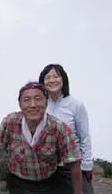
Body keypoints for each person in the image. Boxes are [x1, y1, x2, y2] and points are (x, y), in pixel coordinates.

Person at [0, 82, 83, 194]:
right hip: (19, 181)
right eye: (26, 100)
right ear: (20, 105)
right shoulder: (10, 122)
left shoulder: (59, 128)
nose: (33, 105)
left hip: (50, 179)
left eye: (38, 99)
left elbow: (74, 161)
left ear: (46, 102)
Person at [39, 64, 94, 194]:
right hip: (47, 166)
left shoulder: (76, 105)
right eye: (48, 77)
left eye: (56, 76)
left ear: (63, 79)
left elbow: (84, 137)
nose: (52, 80)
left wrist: (87, 165)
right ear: (43, 82)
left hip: (72, 165)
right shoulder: (40, 105)